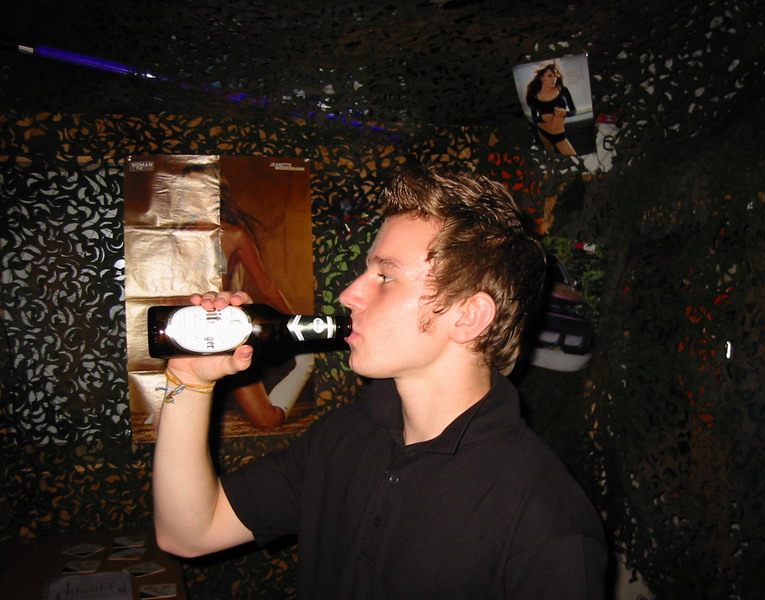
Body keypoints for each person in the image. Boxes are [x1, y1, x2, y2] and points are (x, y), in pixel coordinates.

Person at [153, 167, 607, 599]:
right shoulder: (345, 435)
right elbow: (189, 533)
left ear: (469, 316)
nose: (349, 294)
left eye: (385, 276)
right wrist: (188, 380)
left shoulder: (544, 518)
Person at [183, 163, 315, 429]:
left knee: (266, 420)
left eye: (202, 188)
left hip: (222, 329)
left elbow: (266, 286)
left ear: (216, 192)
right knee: (172, 418)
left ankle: (304, 366)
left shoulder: (234, 235)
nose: (194, 195)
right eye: (187, 189)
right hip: (184, 330)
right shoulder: (170, 236)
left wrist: (299, 328)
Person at [526, 62, 578, 155]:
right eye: (550, 76)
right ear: (541, 78)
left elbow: (574, 111)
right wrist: (541, 118)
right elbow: (534, 119)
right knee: (549, 159)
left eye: (555, 76)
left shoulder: (563, 90)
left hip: (559, 135)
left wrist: (566, 113)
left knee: (575, 158)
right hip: (543, 133)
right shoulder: (535, 96)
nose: (554, 79)